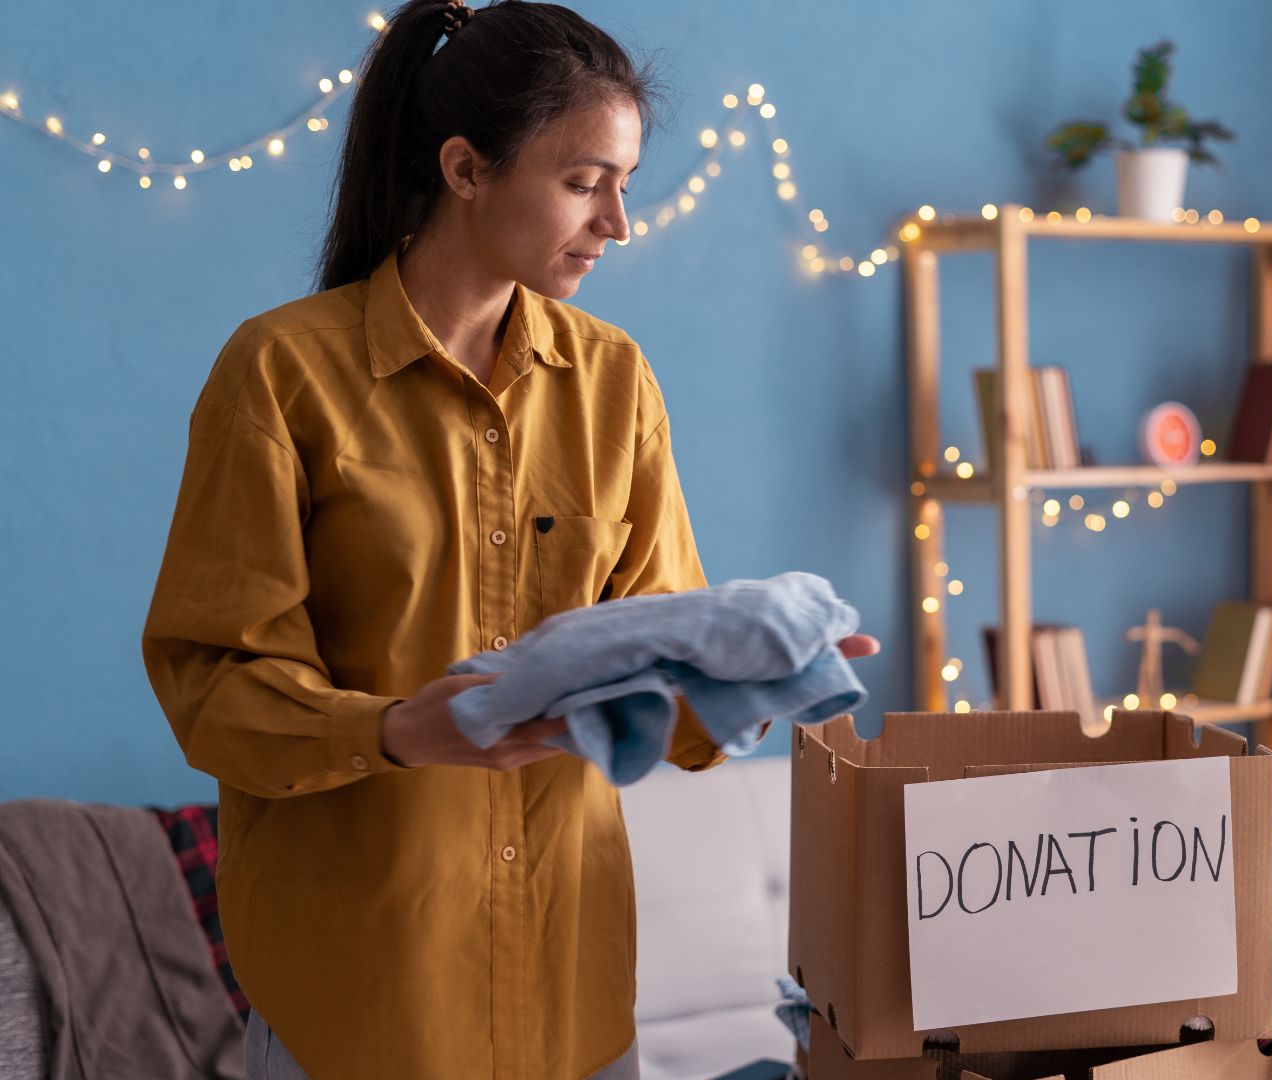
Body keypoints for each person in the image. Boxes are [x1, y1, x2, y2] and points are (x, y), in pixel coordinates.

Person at [141, 2, 877, 1077]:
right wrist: (397, 731)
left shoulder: (615, 383)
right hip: (359, 997)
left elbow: (659, 668)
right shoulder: (279, 375)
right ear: (466, 169)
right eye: (585, 182)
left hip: (568, 994)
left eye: (624, 182)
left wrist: (752, 684)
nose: (618, 221)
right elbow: (212, 685)